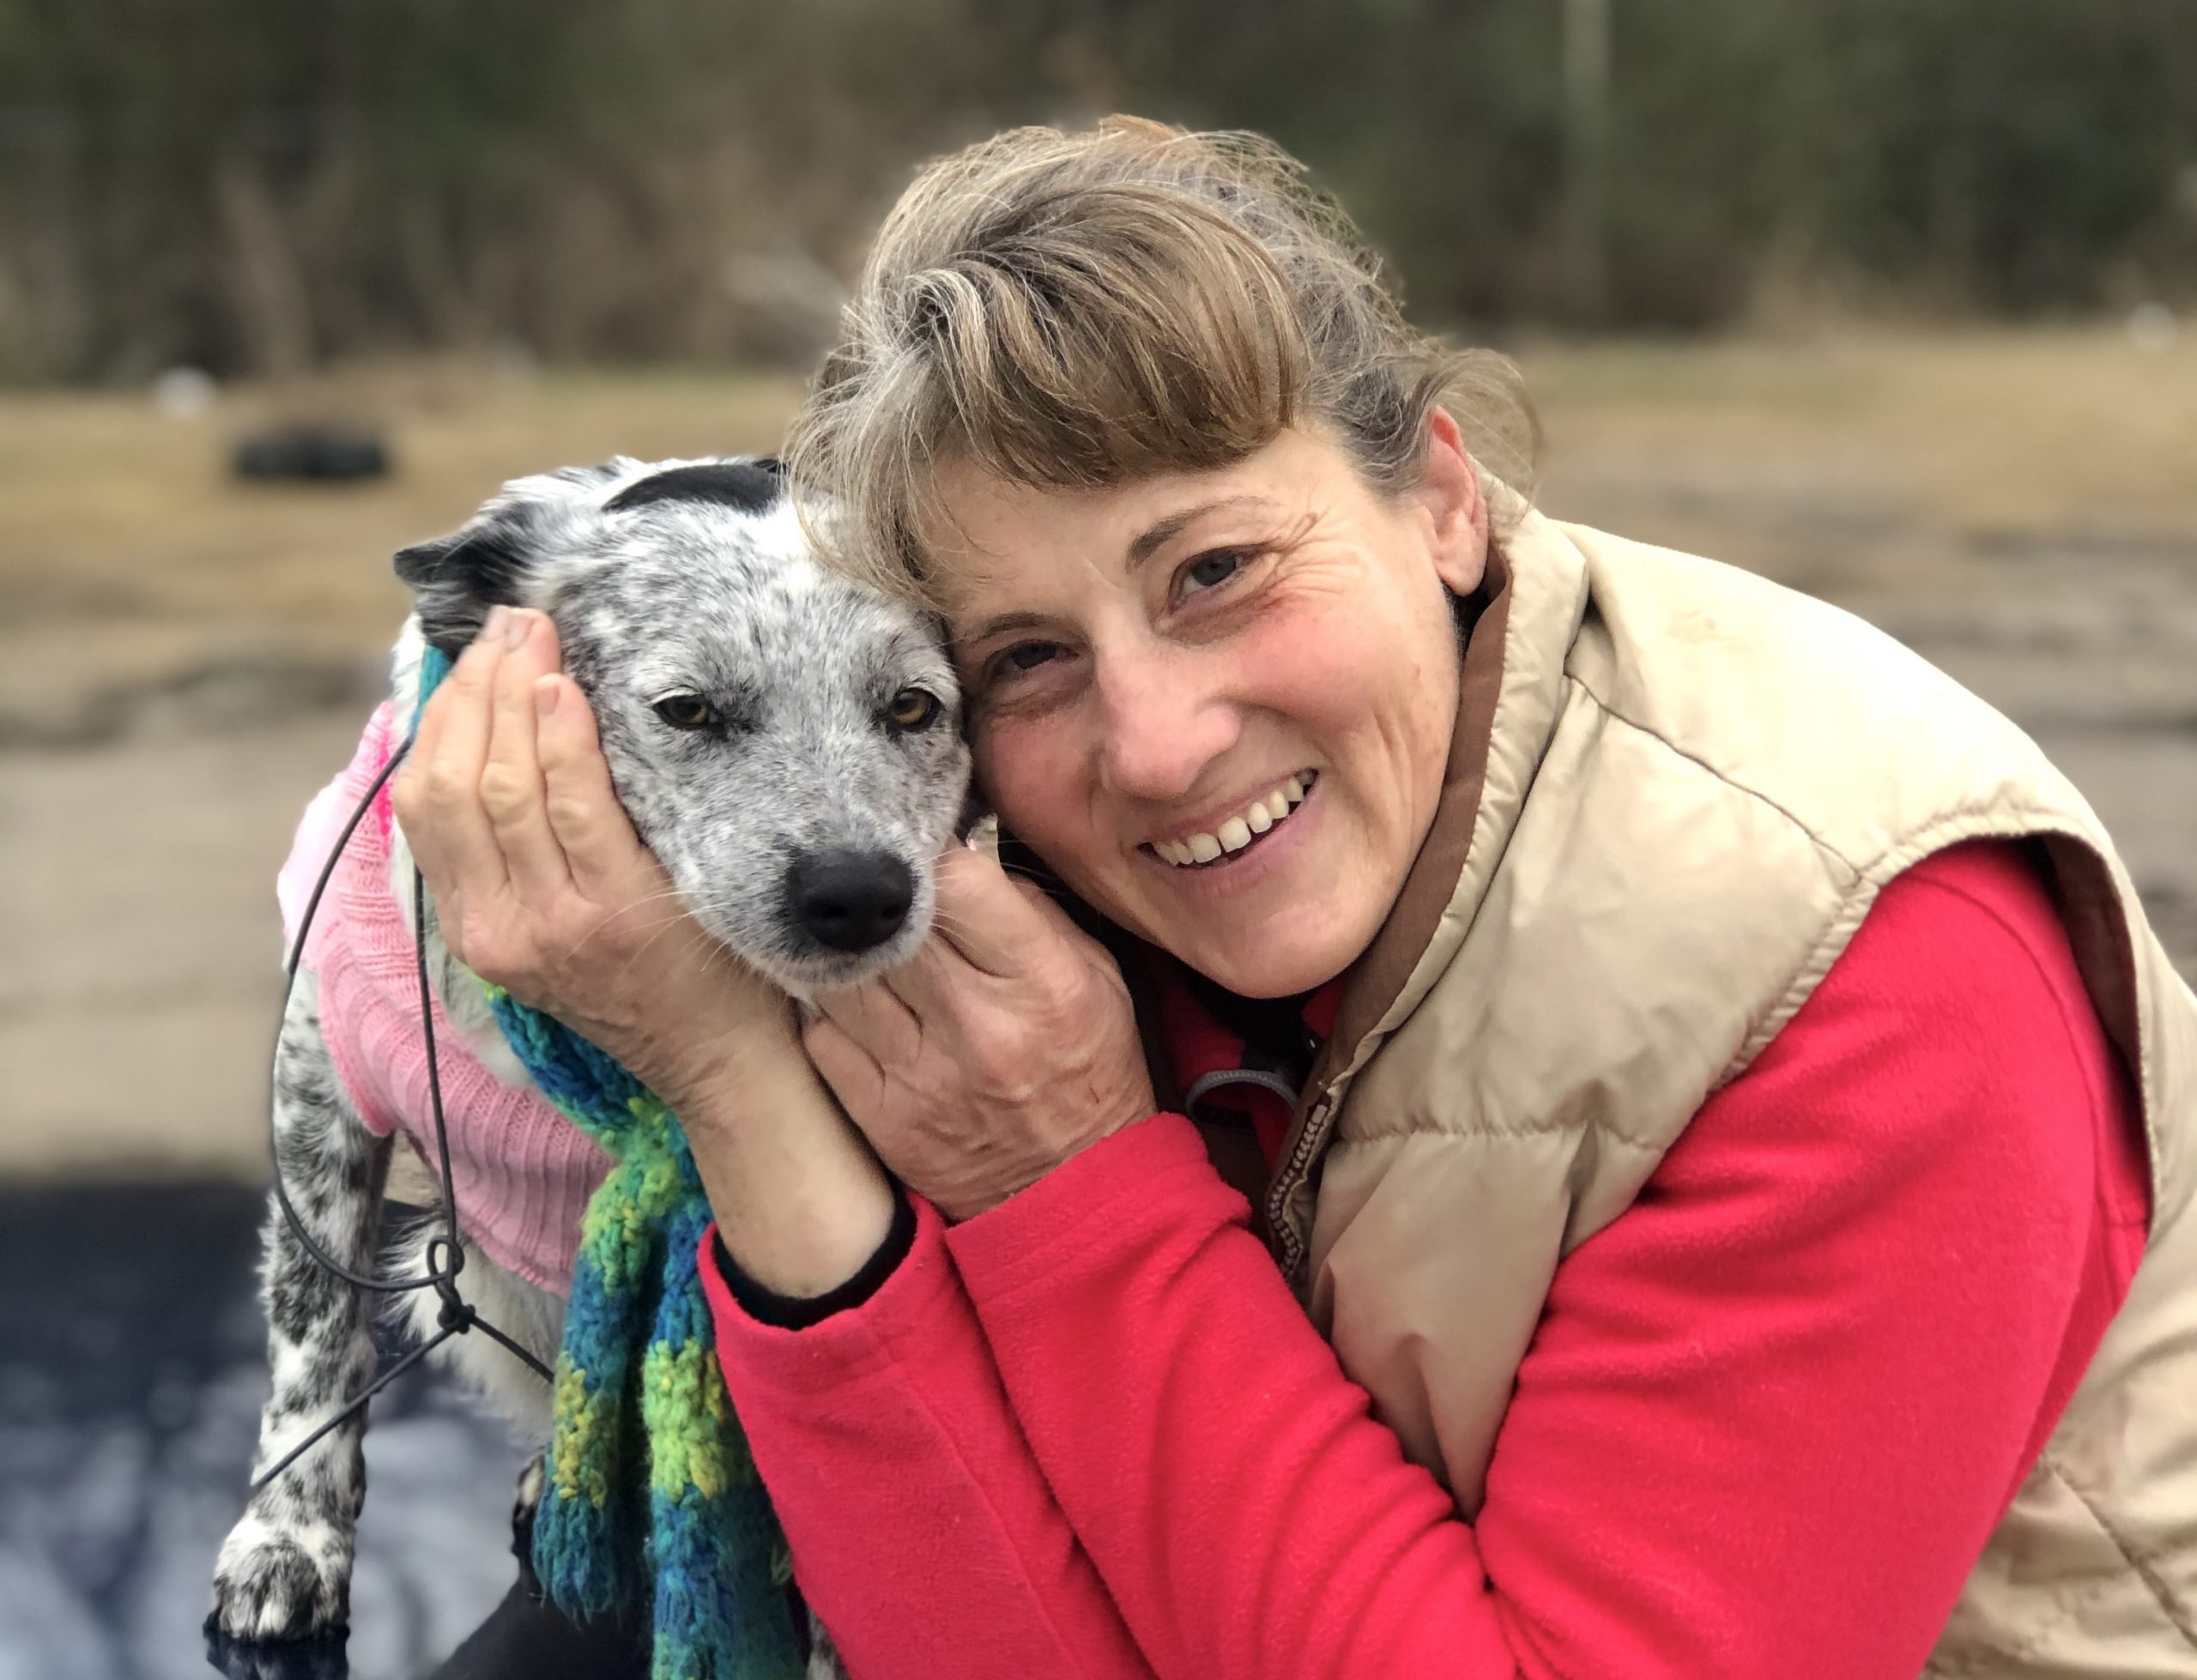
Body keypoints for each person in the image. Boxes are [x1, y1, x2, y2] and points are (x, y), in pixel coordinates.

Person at [394, 118, 2197, 1678]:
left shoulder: (1866, 967)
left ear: (1436, 497)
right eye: (1022, 652)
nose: (1157, 745)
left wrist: (1072, 1186)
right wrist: (729, 1076)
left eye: (1216, 569)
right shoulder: (1021, 886)